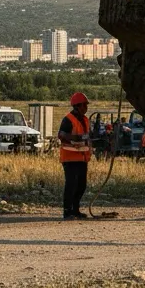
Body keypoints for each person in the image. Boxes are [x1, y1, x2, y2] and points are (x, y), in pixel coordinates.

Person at [58, 92, 92, 221]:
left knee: (81, 185)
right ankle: (67, 211)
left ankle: (75, 210)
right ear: (77, 106)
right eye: (84, 105)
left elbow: (87, 136)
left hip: (82, 157)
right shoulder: (68, 119)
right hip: (70, 157)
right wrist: (74, 139)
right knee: (71, 185)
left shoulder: (85, 120)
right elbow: (61, 135)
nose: (86, 108)